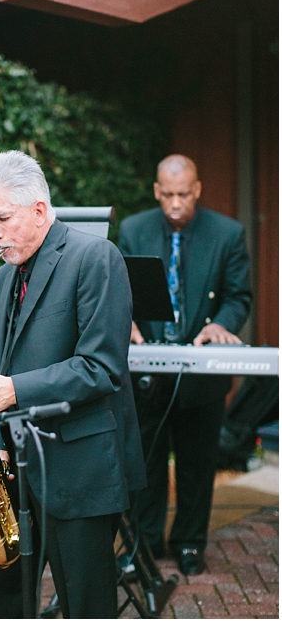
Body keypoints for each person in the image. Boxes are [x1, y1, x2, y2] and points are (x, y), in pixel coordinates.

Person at [0, 151, 145, 618]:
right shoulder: (3, 279)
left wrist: (10, 392)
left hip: (80, 465)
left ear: (39, 209)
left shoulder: (95, 256)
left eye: (3, 218)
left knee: (84, 601)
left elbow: (101, 368)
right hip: (16, 466)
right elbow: (5, 364)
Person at [119, 154, 251, 575]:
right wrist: (128, 324)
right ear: (157, 191)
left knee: (197, 462)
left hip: (202, 372)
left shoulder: (228, 233)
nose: (176, 203)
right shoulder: (133, 230)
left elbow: (238, 296)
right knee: (147, 462)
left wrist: (221, 327)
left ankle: (191, 544)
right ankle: (145, 544)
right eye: (168, 195)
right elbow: (118, 288)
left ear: (197, 190)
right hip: (147, 373)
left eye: (184, 194)